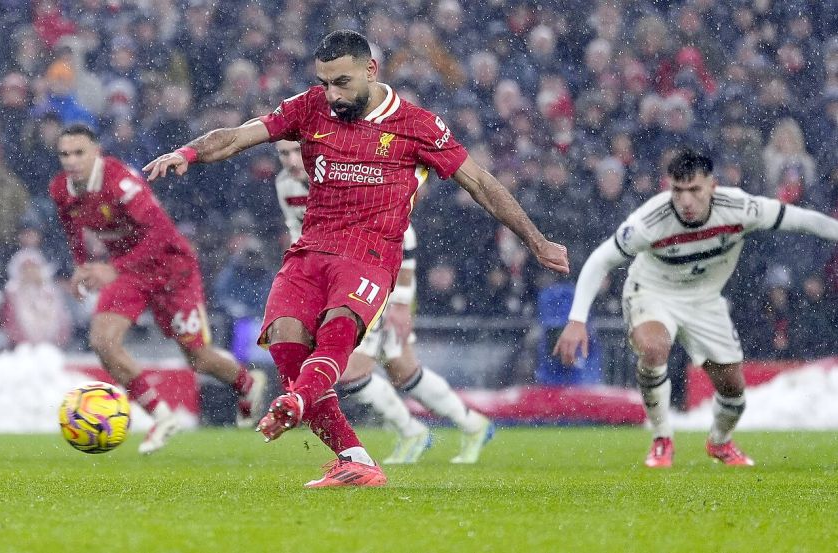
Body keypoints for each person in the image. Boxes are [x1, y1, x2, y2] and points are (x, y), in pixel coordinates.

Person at [145, 30, 568, 487]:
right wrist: (187, 152)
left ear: (371, 70)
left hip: (368, 255)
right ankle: (355, 458)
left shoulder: (417, 125)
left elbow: (481, 183)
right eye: (325, 82)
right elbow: (236, 137)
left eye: (341, 82)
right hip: (309, 252)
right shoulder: (310, 107)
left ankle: (297, 405)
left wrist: (536, 240)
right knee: (285, 343)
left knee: (341, 341)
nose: (332, 94)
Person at [553, 149, 838, 468]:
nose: (685, 200)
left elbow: (802, 220)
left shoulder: (740, 207)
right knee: (653, 348)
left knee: (733, 391)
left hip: (705, 301)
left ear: (712, 187)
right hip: (652, 292)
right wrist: (577, 319)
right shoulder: (651, 220)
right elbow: (601, 259)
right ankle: (662, 439)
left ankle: (720, 442)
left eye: (694, 190)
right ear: (668, 187)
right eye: (678, 190)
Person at [273, 139, 494, 465]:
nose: (292, 160)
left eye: (297, 151)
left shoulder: (345, 177)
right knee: (402, 368)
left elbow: (404, 234)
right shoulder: (285, 185)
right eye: (283, 153)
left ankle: (411, 431)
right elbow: (299, 232)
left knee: (347, 371)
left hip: (377, 276)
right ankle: (472, 424)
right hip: (338, 280)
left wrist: (402, 303)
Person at [49, 124, 266, 455]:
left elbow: (161, 235)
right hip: (129, 273)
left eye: (79, 153)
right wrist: (81, 265)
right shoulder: (61, 190)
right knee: (103, 342)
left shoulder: (120, 182)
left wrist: (112, 268)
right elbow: (72, 228)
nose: (71, 161)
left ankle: (247, 383)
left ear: (96, 153)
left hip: (171, 269)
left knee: (198, 358)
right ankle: (162, 417)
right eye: (65, 154)